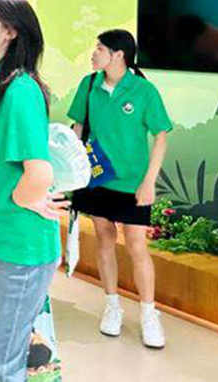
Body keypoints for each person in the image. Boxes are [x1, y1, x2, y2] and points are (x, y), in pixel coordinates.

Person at [0, 0, 67, 382]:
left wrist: (23, 198)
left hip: (20, 248)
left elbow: (38, 171)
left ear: (10, 31)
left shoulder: (20, 90)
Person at [67, 29, 172, 348]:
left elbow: (161, 137)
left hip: (133, 182)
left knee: (137, 245)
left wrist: (149, 181)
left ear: (118, 55)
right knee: (104, 238)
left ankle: (149, 314)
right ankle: (112, 305)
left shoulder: (143, 90)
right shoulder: (89, 85)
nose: (94, 53)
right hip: (97, 177)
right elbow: (77, 129)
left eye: (99, 48)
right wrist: (70, 171)